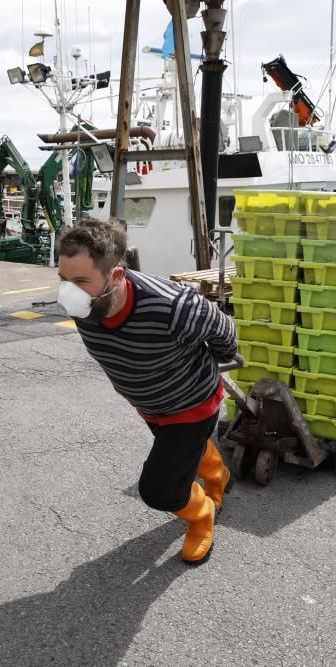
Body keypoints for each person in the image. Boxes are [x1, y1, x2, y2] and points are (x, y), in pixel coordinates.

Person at [55, 218, 237, 565]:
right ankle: (217, 472)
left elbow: (224, 332)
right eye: (63, 279)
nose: (69, 292)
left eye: (80, 281)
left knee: (160, 490)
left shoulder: (173, 306)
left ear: (117, 278)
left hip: (191, 404)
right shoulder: (85, 304)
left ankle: (201, 516)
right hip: (149, 404)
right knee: (186, 455)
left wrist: (209, 363)